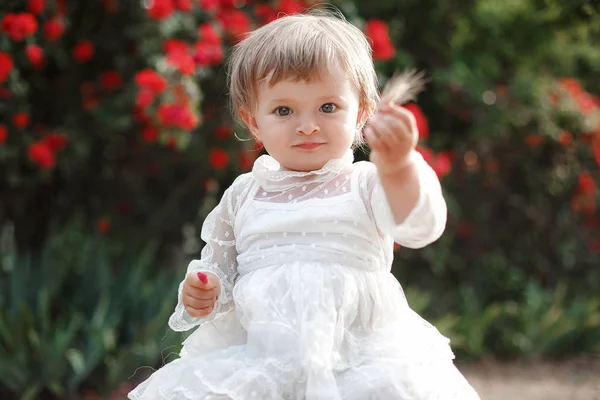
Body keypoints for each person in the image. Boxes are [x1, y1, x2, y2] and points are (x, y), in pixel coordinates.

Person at [129, 9, 481, 400]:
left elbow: (417, 228)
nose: (308, 125)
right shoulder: (244, 195)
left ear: (362, 112)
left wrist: (398, 169)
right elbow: (221, 268)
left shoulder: (364, 183)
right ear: (253, 122)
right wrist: (205, 289)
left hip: (358, 360)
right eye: (284, 110)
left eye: (328, 107)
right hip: (261, 361)